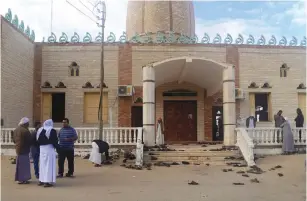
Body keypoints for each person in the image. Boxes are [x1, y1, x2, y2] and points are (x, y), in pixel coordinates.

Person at [36, 119, 59, 187]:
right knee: (48, 166)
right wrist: (58, 149)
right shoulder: (52, 130)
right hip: (49, 149)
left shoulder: (40, 130)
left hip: (42, 149)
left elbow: (37, 140)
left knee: (42, 165)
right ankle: (47, 182)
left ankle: (41, 180)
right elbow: (54, 141)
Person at [13, 117, 32, 184]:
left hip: (18, 150)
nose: (28, 125)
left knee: (19, 165)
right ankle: (24, 179)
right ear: (25, 124)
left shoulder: (16, 130)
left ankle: (19, 179)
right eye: (28, 123)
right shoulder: (25, 131)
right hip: (24, 150)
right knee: (24, 166)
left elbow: (14, 140)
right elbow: (30, 140)